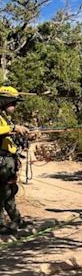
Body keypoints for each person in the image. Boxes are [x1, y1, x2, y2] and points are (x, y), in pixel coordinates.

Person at [0, 85, 30, 234]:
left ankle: (16, 219)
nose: (15, 106)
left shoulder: (4, 118)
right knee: (2, 192)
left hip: (8, 160)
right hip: (1, 161)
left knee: (9, 191)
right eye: (12, 103)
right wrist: (13, 129)